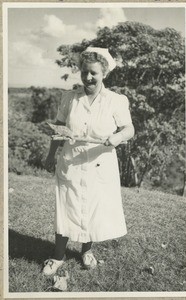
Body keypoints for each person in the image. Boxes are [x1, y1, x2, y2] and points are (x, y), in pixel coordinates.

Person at [43, 47, 135, 275]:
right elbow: (59, 128)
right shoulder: (70, 98)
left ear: (104, 73)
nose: (88, 77)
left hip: (100, 164)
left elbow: (129, 129)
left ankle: (86, 251)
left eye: (93, 73)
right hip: (71, 162)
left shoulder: (115, 100)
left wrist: (116, 137)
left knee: (93, 208)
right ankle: (57, 256)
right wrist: (50, 155)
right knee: (66, 208)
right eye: (84, 72)